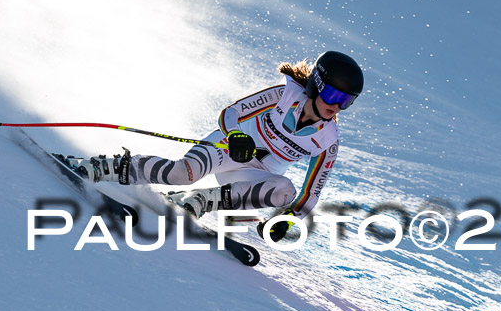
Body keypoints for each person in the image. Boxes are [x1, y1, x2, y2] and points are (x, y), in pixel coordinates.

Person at [65, 50, 364, 242]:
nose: (337, 107)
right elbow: (231, 113)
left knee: (285, 190)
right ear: (317, 85)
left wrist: (287, 220)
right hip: (227, 147)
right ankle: (103, 167)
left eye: (347, 102)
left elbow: (313, 190)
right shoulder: (284, 96)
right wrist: (235, 136)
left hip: (251, 176)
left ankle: (199, 201)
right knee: (182, 173)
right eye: (334, 97)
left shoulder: (327, 141)